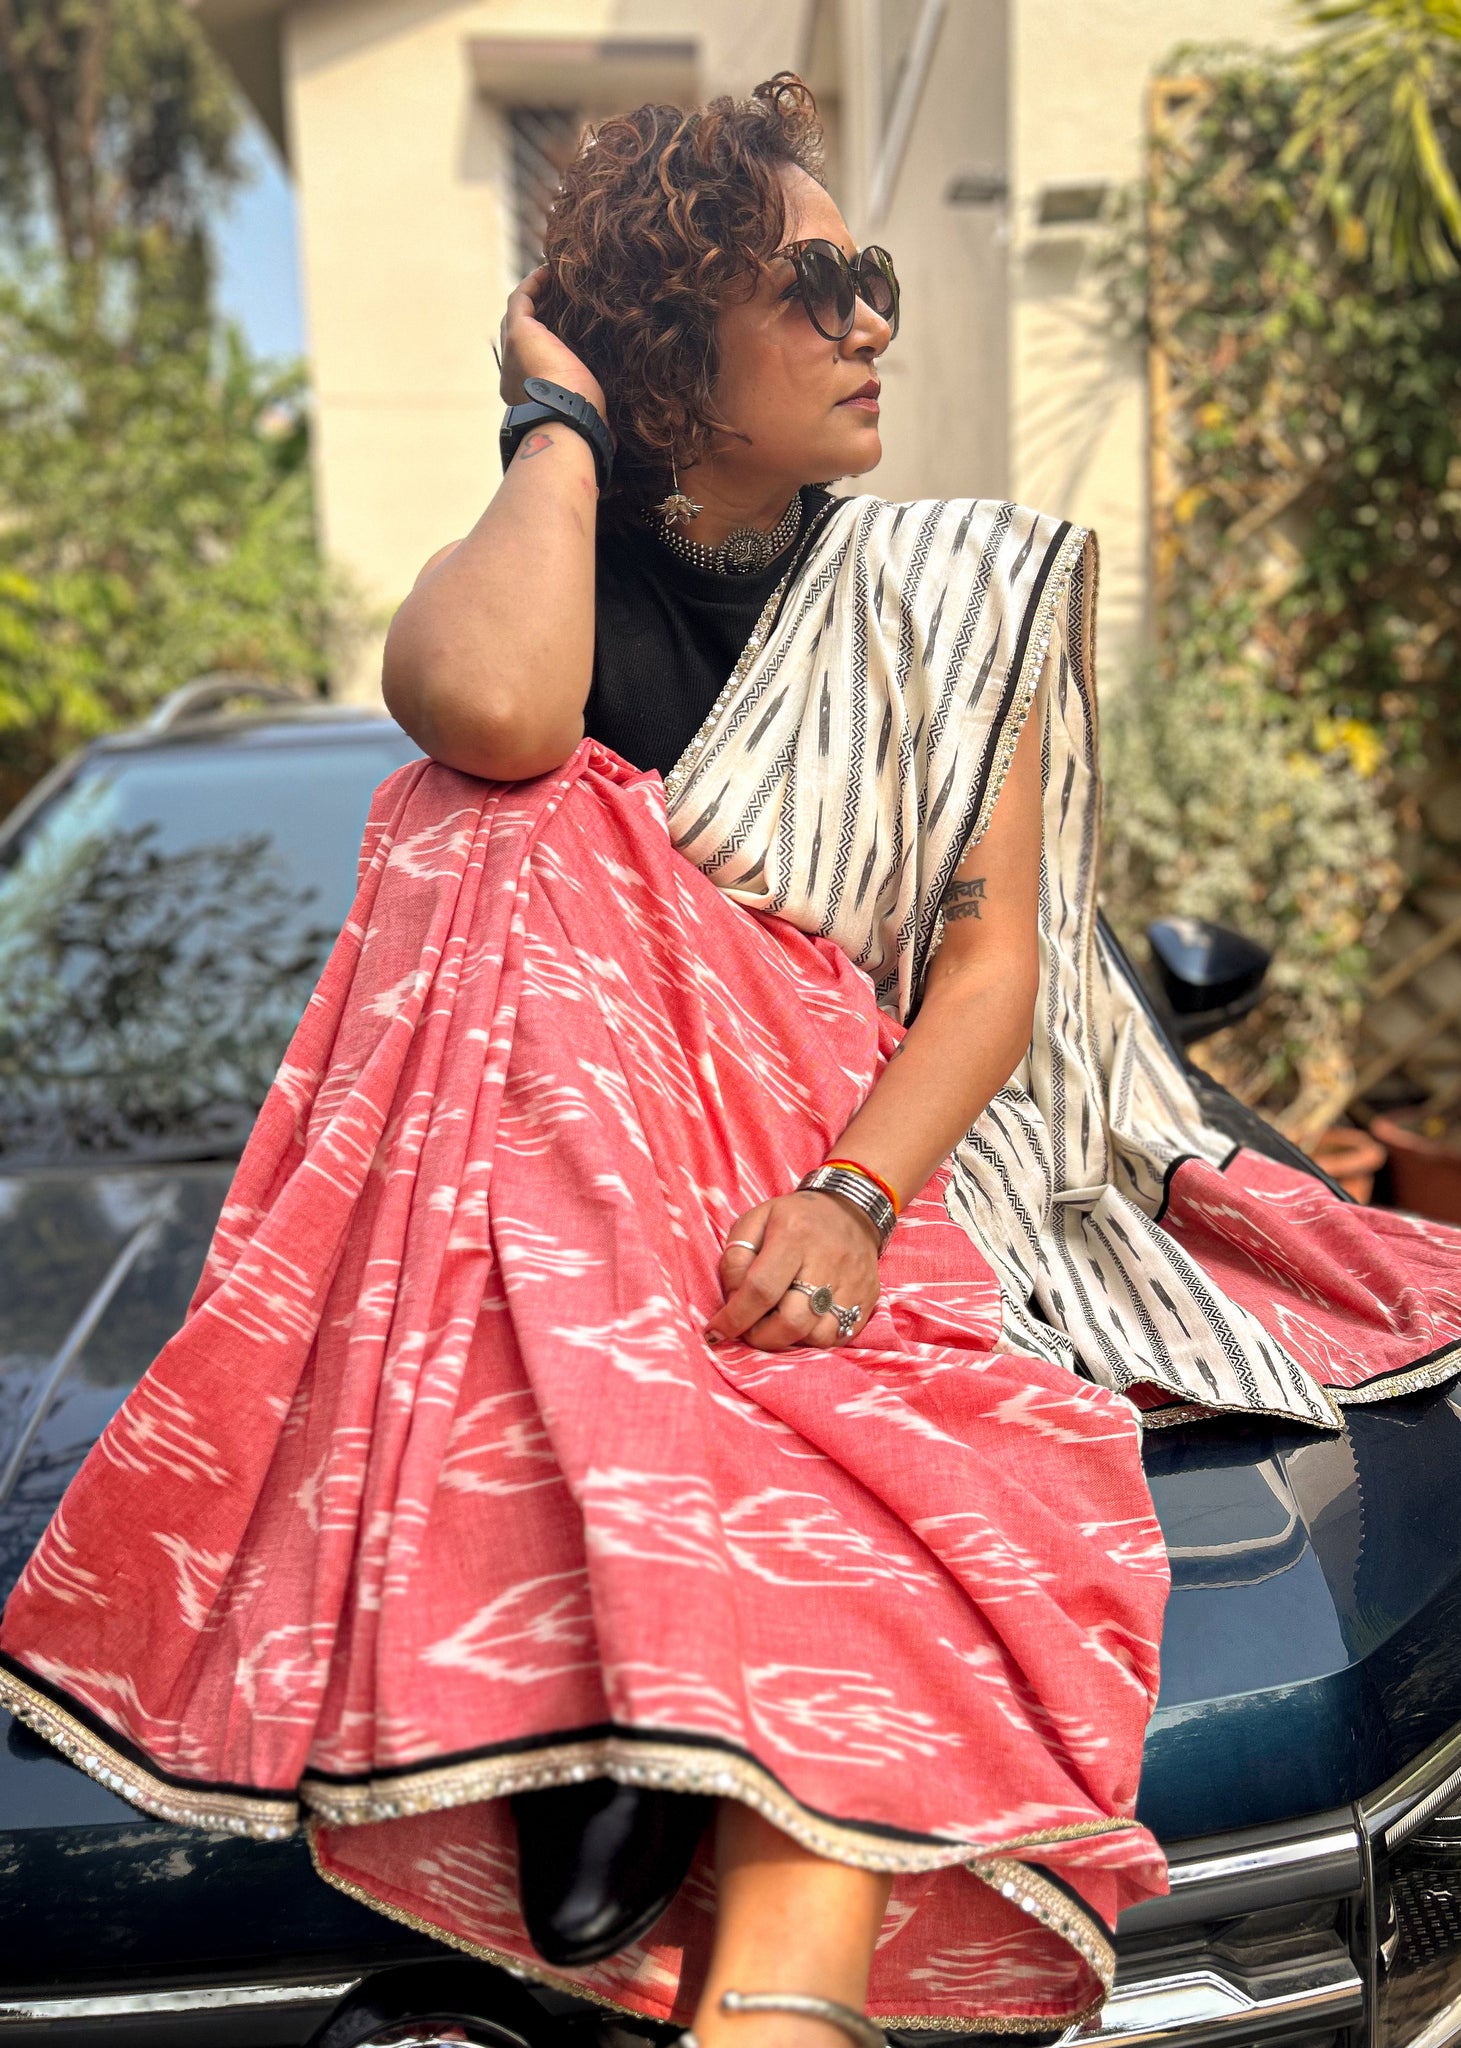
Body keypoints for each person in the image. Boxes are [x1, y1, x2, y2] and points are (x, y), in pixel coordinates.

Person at [3, 71, 1460, 2048]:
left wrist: (853, 1197)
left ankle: (633, 1682)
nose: (871, 321)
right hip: (573, 1193)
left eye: (871, 278)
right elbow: (488, 705)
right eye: (810, 288)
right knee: (494, 820)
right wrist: (553, 425)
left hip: (863, 1161)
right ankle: (634, 1636)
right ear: (669, 354)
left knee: (534, 848)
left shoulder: (949, 597)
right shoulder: (544, 580)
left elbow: (986, 971)